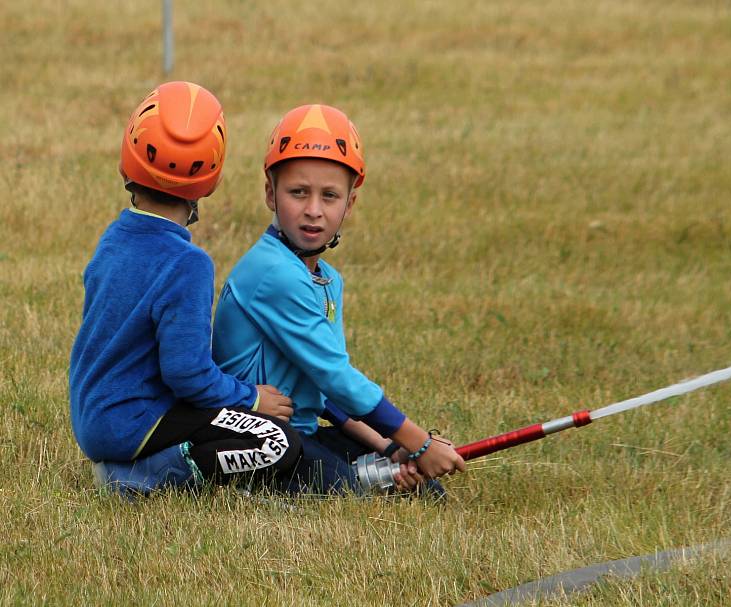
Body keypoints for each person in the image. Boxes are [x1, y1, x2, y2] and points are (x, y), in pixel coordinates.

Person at [211, 104, 466, 496]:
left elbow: (326, 391)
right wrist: (421, 443)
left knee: (417, 486)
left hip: (301, 431)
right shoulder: (273, 272)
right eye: (298, 193)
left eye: (329, 196)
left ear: (350, 203)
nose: (313, 210)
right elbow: (336, 376)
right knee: (352, 491)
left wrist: (390, 446)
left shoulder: (328, 280)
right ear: (270, 193)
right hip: (258, 438)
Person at [69, 81, 301, 497]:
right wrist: (250, 399)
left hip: (94, 418)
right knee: (279, 442)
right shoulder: (188, 263)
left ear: (128, 161)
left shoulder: (113, 238)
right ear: (208, 180)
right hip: (137, 421)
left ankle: (135, 463)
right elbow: (187, 374)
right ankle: (143, 477)